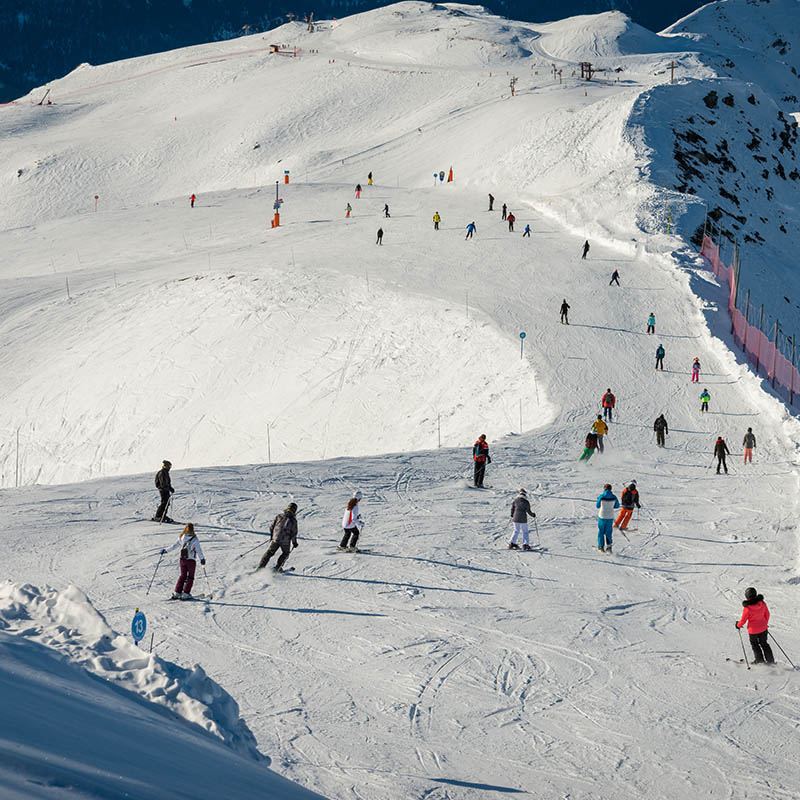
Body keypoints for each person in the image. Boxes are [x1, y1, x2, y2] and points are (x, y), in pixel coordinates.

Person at [162, 523, 205, 600]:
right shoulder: (194, 539)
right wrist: (202, 559)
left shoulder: (182, 537)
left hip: (182, 560)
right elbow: (198, 550)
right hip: (191, 560)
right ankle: (186, 593)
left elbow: (174, 545)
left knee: (182, 576)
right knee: (190, 577)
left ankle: (177, 592)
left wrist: (166, 550)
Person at [736, 587, 775, 664]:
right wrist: (764, 623)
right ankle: (771, 661)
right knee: (764, 644)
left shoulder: (747, 608)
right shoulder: (762, 603)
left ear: (747, 596)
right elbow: (767, 614)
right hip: (763, 628)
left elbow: (743, 620)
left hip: (753, 630)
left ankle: (759, 660)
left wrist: (738, 625)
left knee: (755, 645)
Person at [258, 503, 299, 572]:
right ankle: (277, 568)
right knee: (285, 553)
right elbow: (293, 533)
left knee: (269, 552)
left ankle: (260, 567)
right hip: (285, 541)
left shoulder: (279, 516)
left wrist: (272, 536)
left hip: (276, 539)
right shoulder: (293, 521)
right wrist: (294, 543)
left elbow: (272, 527)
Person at [596, 484, 619, 553]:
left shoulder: (601, 496)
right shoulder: (614, 497)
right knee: (608, 532)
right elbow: (617, 506)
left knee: (601, 531)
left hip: (602, 516)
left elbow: (597, 506)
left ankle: (601, 546)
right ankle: (609, 547)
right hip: (610, 516)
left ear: (604, 489)